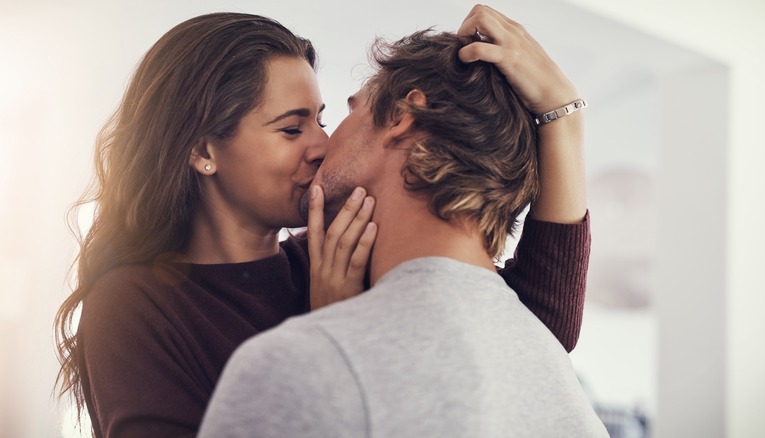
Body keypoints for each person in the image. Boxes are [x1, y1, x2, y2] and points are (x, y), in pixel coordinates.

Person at [54, 6, 590, 438]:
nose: (321, 145)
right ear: (202, 149)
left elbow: (529, 325)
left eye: (323, 119)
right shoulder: (134, 307)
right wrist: (330, 332)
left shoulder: (336, 248)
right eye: (292, 129)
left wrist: (562, 118)